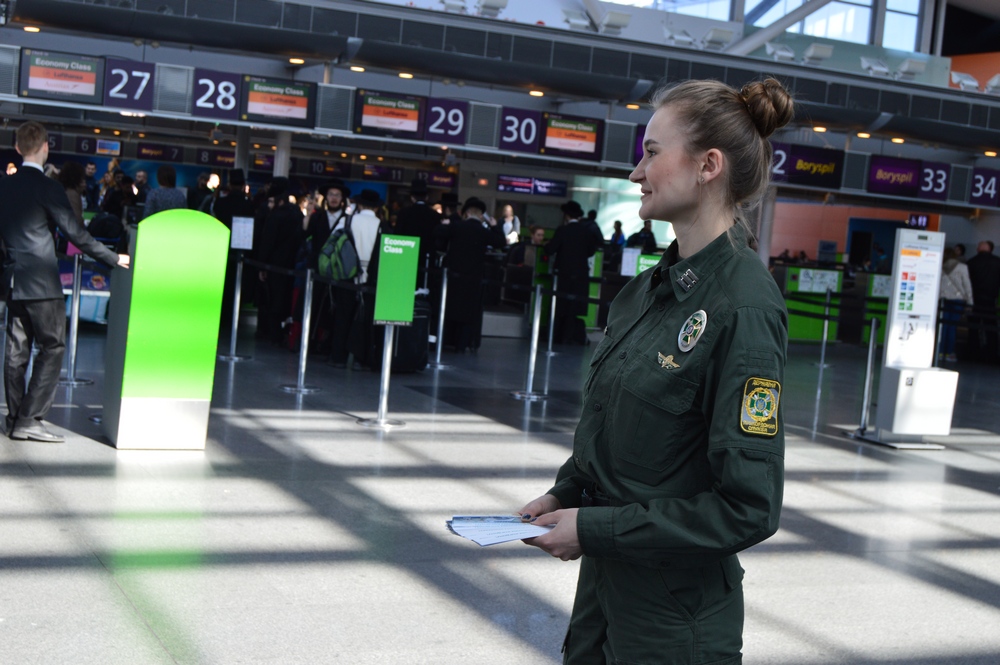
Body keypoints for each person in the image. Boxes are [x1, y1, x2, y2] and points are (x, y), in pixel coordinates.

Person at [518, 77, 793, 664]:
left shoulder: (743, 305)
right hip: (605, 601)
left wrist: (594, 530)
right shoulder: (644, 293)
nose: (635, 174)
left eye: (651, 152)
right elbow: (623, 437)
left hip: (674, 625)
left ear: (708, 165)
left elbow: (748, 506)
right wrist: (565, 492)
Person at [0, 121, 129, 442]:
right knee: (52, 345)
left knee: (16, 351)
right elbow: (76, 234)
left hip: (12, 279)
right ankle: (29, 419)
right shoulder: (49, 188)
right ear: (45, 147)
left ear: (17, 148)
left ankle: (15, 417)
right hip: (42, 282)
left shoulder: (3, 186)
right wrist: (113, 258)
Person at [435, 197, 504, 352]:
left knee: (449, 311)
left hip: (453, 277)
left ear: (465, 214)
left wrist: (446, 223)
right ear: (481, 216)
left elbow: (437, 232)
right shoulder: (483, 231)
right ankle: (462, 345)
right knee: (468, 315)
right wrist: (495, 226)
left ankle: (445, 342)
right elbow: (501, 242)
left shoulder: (457, 226)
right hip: (473, 279)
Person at [329, 189, 383, 368]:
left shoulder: (348, 220)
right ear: (376, 208)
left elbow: (333, 242)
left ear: (359, 204)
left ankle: (338, 356)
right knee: (366, 318)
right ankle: (362, 358)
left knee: (342, 316)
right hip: (371, 279)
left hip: (347, 273)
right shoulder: (382, 225)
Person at [544, 200, 599, 345]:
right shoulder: (586, 231)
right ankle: (570, 336)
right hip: (581, 275)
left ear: (567, 216)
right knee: (574, 308)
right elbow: (591, 251)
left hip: (563, 275)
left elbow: (550, 249)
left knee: (560, 306)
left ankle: (557, 337)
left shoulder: (562, 230)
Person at [257, 177, 304, 346]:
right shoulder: (296, 213)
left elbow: (267, 242)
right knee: (287, 299)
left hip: (275, 264)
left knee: (273, 299)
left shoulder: (274, 217)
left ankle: (273, 333)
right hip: (292, 263)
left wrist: (262, 264)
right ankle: (286, 332)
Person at [395, 178, 440, 287]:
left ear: (412, 197)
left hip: (407, 256)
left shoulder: (404, 213)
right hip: (427, 257)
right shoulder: (434, 215)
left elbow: (397, 234)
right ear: (427, 197)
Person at [966, 240, 1000, 361]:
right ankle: (992, 352)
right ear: (991, 249)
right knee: (991, 327)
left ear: (978, 249)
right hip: (991, 300)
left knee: (973, 327)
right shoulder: (997, 262)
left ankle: (972, 351)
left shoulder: (971, 262)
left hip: (975, 299)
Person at [938, 246, 973, 363]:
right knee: (952, 327)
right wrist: (970, 302)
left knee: (943, 326)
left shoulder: (940, 266)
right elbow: (967, 285)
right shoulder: (962, 267)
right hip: (958, 300)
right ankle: (949, 353)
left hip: (944, 299)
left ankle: (940, 351)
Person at [57, 161, 88, 226]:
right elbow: (76, 221)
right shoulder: (72, 194)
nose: (84, 184)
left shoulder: (65, 191)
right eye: (82, 179)